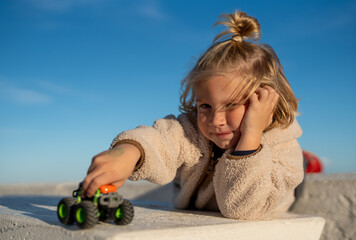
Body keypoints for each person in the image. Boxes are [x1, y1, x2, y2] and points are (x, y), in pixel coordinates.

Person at [82, 10, 304, 220]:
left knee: (298, 167)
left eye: (231, 105)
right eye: (205, 106)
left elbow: (242, 208)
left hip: (265, 205)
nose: (216, 120)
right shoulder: (192, 131)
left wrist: (252, 134)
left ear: (265, 104)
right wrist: (129, 152)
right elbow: (162, 139)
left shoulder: (282, 147)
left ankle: (308, 160)